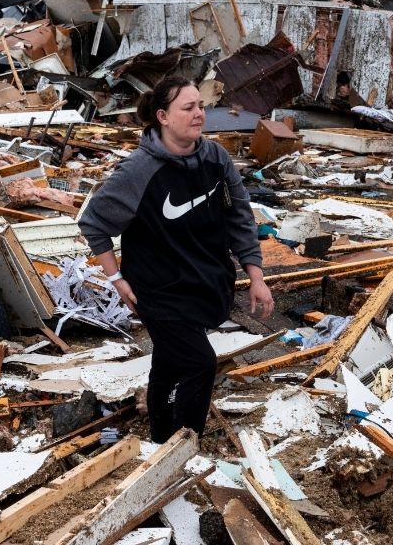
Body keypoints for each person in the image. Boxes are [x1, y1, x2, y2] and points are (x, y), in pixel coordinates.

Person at [78, 75, 273, 443]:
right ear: (163, 116)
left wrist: (256, 275)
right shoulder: (138, 171)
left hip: (203, 283)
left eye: (201, 106)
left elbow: (240, 216)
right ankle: (183, 447)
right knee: (199, 363)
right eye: (189, 108)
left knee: (168, 364)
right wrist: (116, 279)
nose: (199, 114)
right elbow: (94, 224)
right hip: (157, 289)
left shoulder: (215, 157)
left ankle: (159, 440)